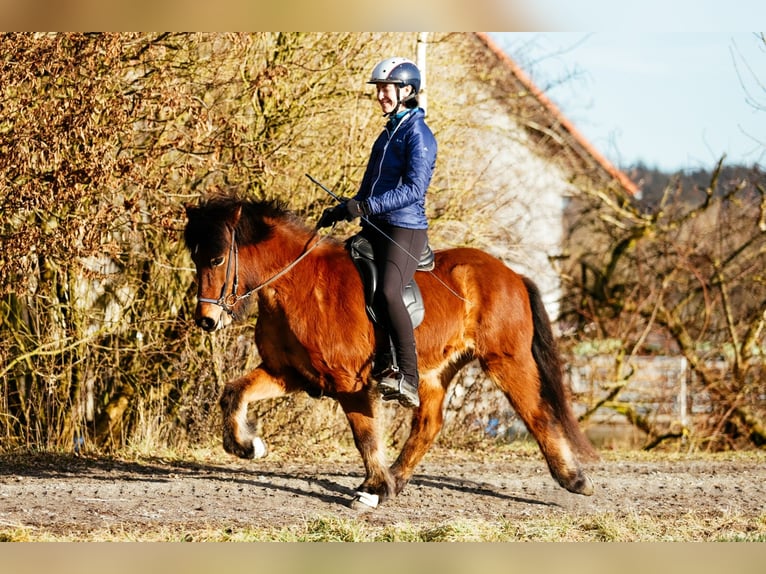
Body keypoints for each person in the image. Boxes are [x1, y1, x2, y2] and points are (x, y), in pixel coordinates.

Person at [317, 57, 437, 408]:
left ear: (407, 91)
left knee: (387, 291)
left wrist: (368, 207)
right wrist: (345, 209)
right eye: (379, 89)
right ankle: (375, 360)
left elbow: (415, 189)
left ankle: (409, 377)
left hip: (404, 227)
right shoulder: (387, 133)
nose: (381, 95)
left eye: (386, 89)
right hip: (376, 224)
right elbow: (370, 184)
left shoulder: (419, 135)